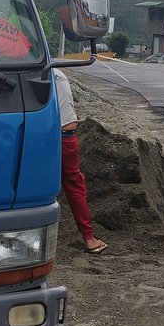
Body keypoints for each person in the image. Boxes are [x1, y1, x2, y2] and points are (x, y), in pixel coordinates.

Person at [53, 68, 107, 254]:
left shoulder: (31, 72)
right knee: (74, 185)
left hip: (47, 136)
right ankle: (89, 238)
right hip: (68, 137)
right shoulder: (59, 74)